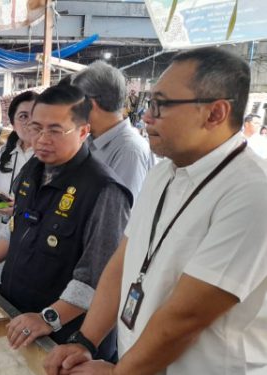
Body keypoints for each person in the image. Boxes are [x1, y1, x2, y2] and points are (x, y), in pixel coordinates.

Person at [43, 47, 267, 375]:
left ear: (215, 113)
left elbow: (186, 318)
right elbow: (122, 262)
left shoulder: (252, 192)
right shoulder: (165, 172)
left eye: (161, 105)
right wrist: (85, 341)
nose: (147, 116)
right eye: (149, 103)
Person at [0, 84, 132, 361]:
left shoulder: (103, 189)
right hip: (20, 318)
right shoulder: (31, 170)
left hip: (66, 336)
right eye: (36, 128)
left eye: (55, 130)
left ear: (83, 132)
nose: (42, 139)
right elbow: (17, 230)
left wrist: (49, 318)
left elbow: (99, 275)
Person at [71, 61, 154, 198]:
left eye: (74, 102)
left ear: (91, 104)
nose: (71, 110)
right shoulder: (90, 141)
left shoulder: (129, 150)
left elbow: (119, 212)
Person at [0, 91, 37, 281]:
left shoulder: (50, 156)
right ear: (13, 122)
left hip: (33, 247)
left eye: (35, 115)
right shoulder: (2, 153)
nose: (30, 121)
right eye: (23, 116)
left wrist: (22, 210)